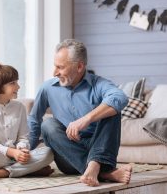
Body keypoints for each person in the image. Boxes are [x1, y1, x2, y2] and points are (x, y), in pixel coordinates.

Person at [28, 39, 132, 186]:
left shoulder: (98, 84)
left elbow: (120, 98)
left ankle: (95, 167)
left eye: (61, 67)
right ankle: (104, 173)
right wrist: (26, 153)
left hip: (100, 150)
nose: (55, 72)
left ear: (79, 66)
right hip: (68, 156)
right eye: (55, 66)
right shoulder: (47, 88)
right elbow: (34, 120)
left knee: (113, 109)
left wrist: (86, 119)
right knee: (48, 124)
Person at [0, 65, 54, 180]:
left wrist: (22, 149)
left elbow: (23, 137)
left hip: (15, 156)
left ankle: (3, 172)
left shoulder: (19, 107)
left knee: (49, 153)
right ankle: (30, 170)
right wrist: (11, 152)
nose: (18, 86)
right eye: (13, 83)